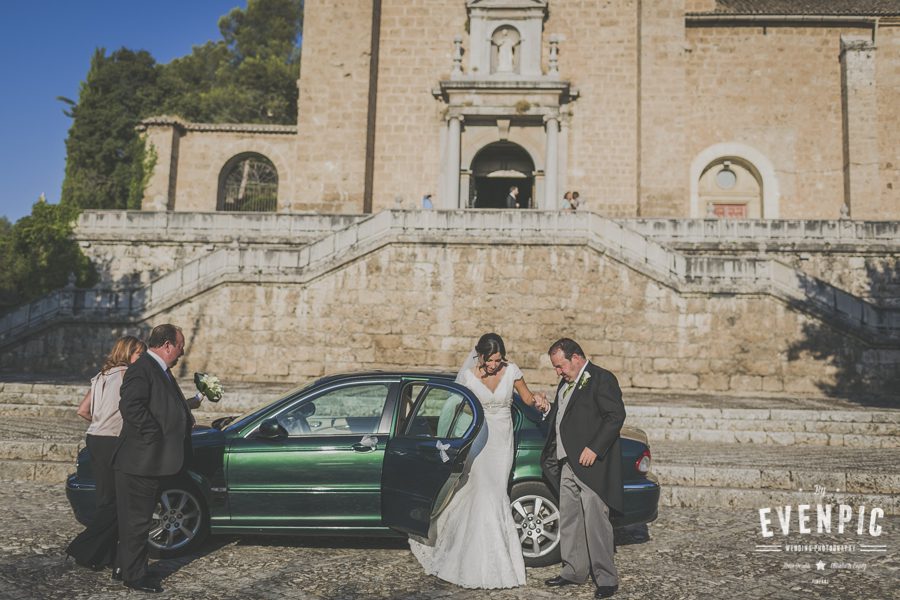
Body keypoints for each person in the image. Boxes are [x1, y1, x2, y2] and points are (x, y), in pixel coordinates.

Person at [409, 333, 549, 588]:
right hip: (480, 441)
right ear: (481, 356)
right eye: (491, 360)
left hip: (502, 442)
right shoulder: (468, 377)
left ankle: (498, 561)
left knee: (496, 494)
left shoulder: (512, 371)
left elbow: (527, 398)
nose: (495, 364)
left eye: (499, 359)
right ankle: (475, 560)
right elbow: (457, 408)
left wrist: (539, 399)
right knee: (481, 491)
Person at [113, 324, 197, 594]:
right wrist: (154, 435)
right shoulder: (143, 369)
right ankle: (135, 576)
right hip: (141, 461)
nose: (182, 352)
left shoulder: (160, 371)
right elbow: (130, 406)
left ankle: (122, 566)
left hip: (153, 460)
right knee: (138, 522)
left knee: (135, 520)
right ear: (168, 345)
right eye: (180, 346)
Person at [541, 338, 625, 599]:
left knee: (595, 522)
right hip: (567, 463)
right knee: (569, 518)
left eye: (560, 365)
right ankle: (573, 570)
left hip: (591, 466)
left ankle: (606, 578)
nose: (558, 371)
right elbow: (565, 415)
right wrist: (548, 409)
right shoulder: (566, 383)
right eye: (555, 367)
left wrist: (595, 448)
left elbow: (615, 416)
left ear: (576, 357)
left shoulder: (601, 378)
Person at [66, 336, 147, 572]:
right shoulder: (126, 375)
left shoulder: (101, 375)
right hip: (113, 441)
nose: (141, 358)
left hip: (95, 438)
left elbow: (82, 410)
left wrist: (101, 421)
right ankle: (82, 547)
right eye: (139, 353)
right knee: (118, 502)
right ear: (128, 353)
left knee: (106, 499)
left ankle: (102, 556)